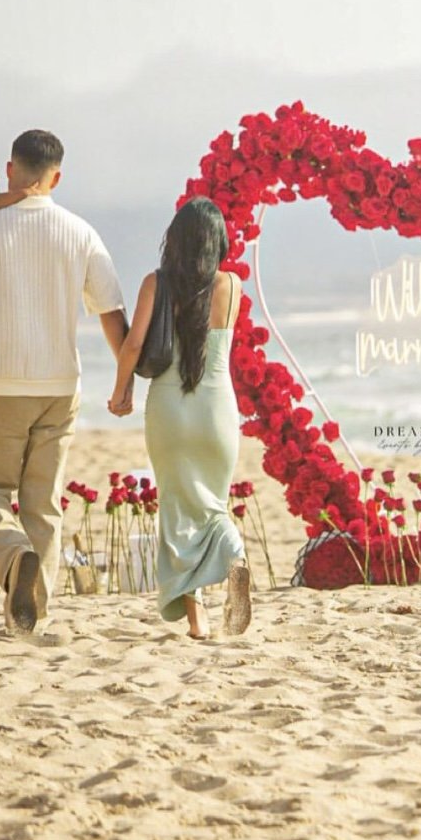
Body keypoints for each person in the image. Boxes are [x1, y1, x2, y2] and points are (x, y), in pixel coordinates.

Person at [0, 130, 129, 636]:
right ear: (57, 176)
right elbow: (112, 311)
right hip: (60, 387)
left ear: (11, 170)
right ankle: (32, 618)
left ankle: (15, 561)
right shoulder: (81, 232)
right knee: (43, 502)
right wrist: (125, 378)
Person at [107, 196, 250, 640]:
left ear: (176, 239)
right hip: (217, 410)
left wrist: (120, 391)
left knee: (177, 509)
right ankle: (236, 558)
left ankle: (198, 618)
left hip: (170, 409)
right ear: (218, 240)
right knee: (212, 506)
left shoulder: (157, 283)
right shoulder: (233, 285)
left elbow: (132, 345)